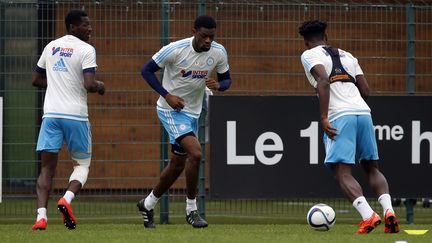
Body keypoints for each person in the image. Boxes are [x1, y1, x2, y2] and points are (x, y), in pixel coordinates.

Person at [299, 20, 399, 234]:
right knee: (372, 168)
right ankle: (389, 211)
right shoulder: (348, 55)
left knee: (342, 172)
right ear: (326, 37)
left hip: (339, 115)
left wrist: (324, 117)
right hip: (363, 112)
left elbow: (323, 81)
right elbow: (366, 90)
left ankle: (368, 216)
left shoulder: (309, 55)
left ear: (306, 42)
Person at [138, 15, 231, 228]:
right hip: (170, 110)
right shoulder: (175, 49)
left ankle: (148, 203)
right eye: (204, 36)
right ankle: (191, 210)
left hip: (193, 112)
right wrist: (167, 95)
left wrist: (219, 85)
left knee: (177, 165)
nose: (208, 40)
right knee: (196, 153)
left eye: (212, 36)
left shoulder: (218, 52)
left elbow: (227, 80)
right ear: (194, 31)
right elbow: (146, 70)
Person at [31, 10, 105, 230]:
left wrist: (55, 84)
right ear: (72, 27)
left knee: (46, 169)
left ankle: (40, 217)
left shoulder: (51, 46)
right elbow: (89, 84)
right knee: (82, 164)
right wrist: (100, 86)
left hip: (51, 115)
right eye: (85, 25)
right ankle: (67, 199)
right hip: (76, 115)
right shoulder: (86, 49)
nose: (89, 28)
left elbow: (35, 79)